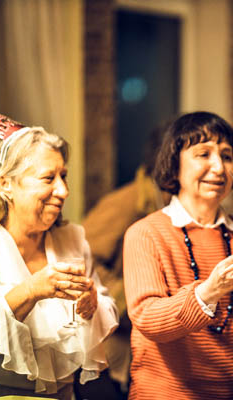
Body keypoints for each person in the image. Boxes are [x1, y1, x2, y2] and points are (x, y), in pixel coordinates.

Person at [122, 111, 233, 399]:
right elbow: (148, 318)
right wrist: (208, 291)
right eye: (203, 154)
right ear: (174, 166)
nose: (219, 167)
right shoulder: (145, 233)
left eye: (226, 156)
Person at [0, 114, 118, 399]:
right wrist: (30, 291)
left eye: (64, 176)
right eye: (49, 178)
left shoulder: (72, 238)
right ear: (5, 185)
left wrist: (92, 305)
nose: (64, 191)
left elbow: (104, 303)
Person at [79, 122, 171, 398]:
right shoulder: (127, 202)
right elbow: (78, 258)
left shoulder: (169, 202)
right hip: (113, 353)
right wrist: (130, 298)